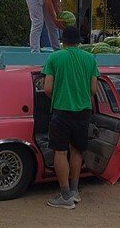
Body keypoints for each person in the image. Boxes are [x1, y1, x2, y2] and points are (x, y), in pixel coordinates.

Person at [42, 26, 99, 209]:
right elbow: (93, 90)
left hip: (62, 111)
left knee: (60, 152)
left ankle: (65, 196)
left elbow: (47, 89)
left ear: (63, 41)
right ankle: (74, 191)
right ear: (79, 42)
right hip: (83, 112)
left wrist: (61, 95)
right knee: (77, 150)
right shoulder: (90, 59)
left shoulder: (54, 58)